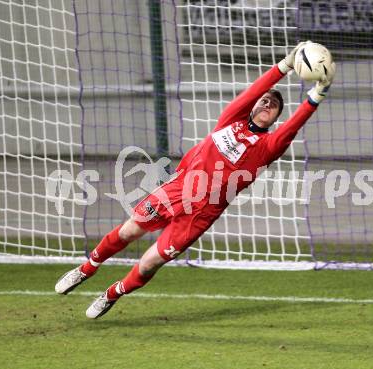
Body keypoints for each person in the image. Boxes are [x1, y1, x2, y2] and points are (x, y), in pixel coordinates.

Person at [55, 41, 336, 319]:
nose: (267, 103)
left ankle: (112, 294)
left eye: (274, 104)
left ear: (275, 117)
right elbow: (253, 91)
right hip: (176, 190)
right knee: (129, 231)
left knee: (151, 262)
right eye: (265, 100)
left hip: (201, 212)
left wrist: (317, 94)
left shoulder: (268, 146)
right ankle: (87, 269)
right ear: (251, 108)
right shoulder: (230, 120)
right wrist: (285, 65)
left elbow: (293, 125)